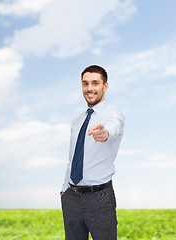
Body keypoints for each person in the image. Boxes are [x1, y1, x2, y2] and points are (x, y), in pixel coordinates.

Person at [61, 65, 125, 240]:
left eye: (95, 83)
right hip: (71, 198)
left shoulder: (114, 113)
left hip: (99, 197)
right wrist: (64, 190)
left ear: (105, 86)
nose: (89, 88)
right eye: (85, 83)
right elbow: (72, 157)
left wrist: (105, 133)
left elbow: (114, 126)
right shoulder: (77, 120)